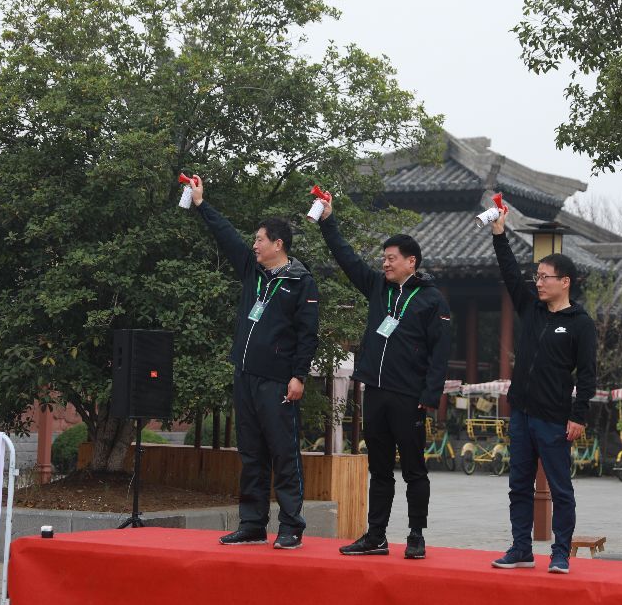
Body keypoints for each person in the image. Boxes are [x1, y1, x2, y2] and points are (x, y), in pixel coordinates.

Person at [187, 178, 320, 550]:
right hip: (244, 375)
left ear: (278, 244)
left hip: (277, 381)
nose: (254, 245)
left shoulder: (301, 282)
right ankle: (252, 524)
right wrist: (201, 203)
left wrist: (298, 375)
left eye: (260, 240)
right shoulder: (252, 270)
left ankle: (291, 526)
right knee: (251, 454)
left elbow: (308, 334)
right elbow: (225, 235)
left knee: (283, 453)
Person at [316, 197, 451, 560]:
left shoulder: (432, 300)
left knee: (414, 470)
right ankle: (376, 536)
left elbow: (440, 354)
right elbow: (348, 259)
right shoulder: (378, 288)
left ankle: (416, 535)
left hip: (409, 397)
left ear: (411, 262)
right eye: (384, 258)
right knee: (379, 470)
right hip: (375, 391)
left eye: (392, 258)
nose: (385, 263)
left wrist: (429, 397)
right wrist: (328, 221)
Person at [488, 206, 596, 575]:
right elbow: (509, 273)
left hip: (553, 419)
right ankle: (521, 548)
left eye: (545, 277)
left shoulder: (580, 323)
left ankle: (560, 553)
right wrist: (499, 234)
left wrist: (578, 416)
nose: (538, 283)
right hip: (521, 413)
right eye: (537, 277)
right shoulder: (531, 310)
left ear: (565, 282)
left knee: (561, 489)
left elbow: (588, 374)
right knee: (518, 485)